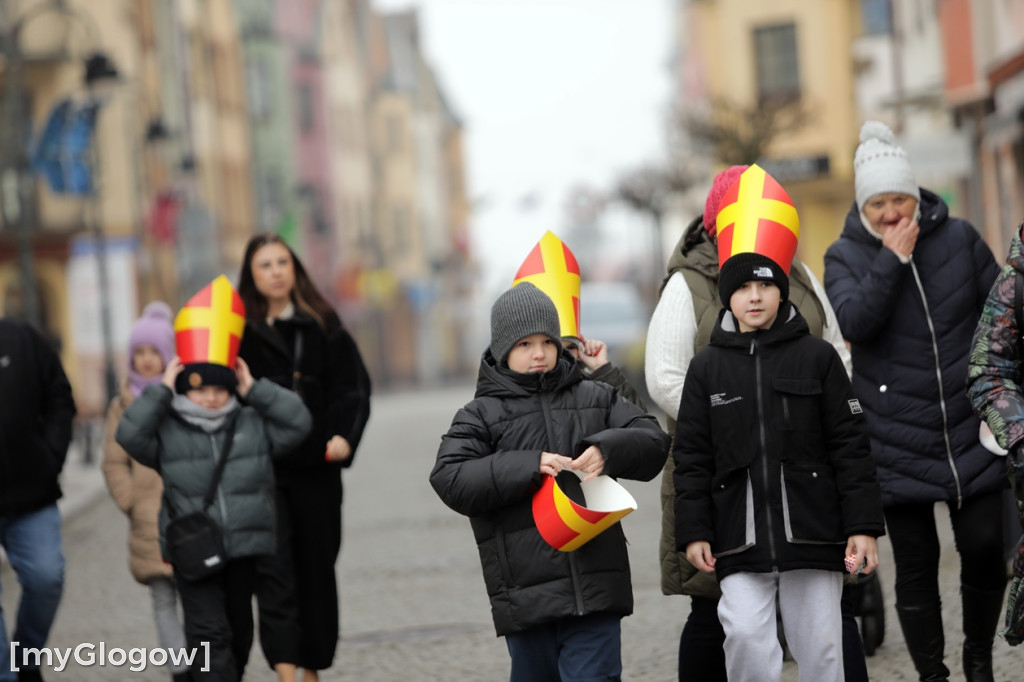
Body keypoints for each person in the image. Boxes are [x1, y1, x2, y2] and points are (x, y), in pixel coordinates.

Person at [644, 164, 868, 681]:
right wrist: (737, 417)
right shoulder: (690, 287)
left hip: (808, 497)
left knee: (825, 632)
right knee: (729, 623)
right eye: (741, 286)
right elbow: (666, 380)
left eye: (764, 283)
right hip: (732, 491)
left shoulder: (800, 281)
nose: (755, 295)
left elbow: (842, 395)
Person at [824, 120, 1005, 682]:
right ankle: (932, 674)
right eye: (878, 203)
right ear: (864, 205)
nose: (891, 213)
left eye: (899, 199)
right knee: (917, 564)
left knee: (983, 546)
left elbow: (1000, 313)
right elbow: (855, 321)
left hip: (968, 421)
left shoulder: (960, 239)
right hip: (895, 431)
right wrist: (892, 262)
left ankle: (978, 657)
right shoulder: (845, 255)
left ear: (917, 196)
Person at [430, 282, 670, 681]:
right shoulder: (479, 414)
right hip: (527, 598)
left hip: (597, 590)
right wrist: (529, 465)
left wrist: (607, 448)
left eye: (547, 341)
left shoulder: (594, 396)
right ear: (503, 349)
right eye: (524, 344)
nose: (539, 353)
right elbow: (450, 477)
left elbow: (653, 439)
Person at [115, 276, 311, 682]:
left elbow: (298, 423)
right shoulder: (167, 429)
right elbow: (129, 435)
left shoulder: (251, 422)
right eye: (200, 388)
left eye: (220, 389)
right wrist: (162, 390)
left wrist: (254, 389)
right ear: (185, 386)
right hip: (192, 547)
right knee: (207, 633)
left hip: (243, 547)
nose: (210, 397)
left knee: (238, 633)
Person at [236, 233, 372, 682]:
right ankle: (287, 671)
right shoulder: (240, 335)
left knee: (316, 568)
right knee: (273, 573)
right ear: (251, 276)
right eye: (265, 265)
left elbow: (353, 389)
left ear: (294, 269)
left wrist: (344, 438)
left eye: (282, 262)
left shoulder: (324, 324)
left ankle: (310, 664)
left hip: (317, 469)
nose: (275, 271)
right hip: (263, 472)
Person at [101, 301, 190, 682]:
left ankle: (205, 663)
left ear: (168, 355)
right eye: (139, 352)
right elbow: (113, 461)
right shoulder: (123, 405)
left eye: (155, 352)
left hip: (188, 517)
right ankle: (180, 670)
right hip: (147, 521)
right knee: (163, 601)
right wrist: (131, 501)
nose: (147, 360)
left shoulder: (183, 398)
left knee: (198, 600)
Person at [0, 317, 75, 682]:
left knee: (47, 578)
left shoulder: (23, 338)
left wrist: (51, 457)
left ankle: (25, 658)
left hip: (31, 496)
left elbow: (59, 395)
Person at [513, 229, 645, 408]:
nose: (561, 357)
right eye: (528, 344)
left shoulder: (595, 397)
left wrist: (603, 371)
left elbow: (642, 427)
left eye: (569, 348)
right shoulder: (487, 411)